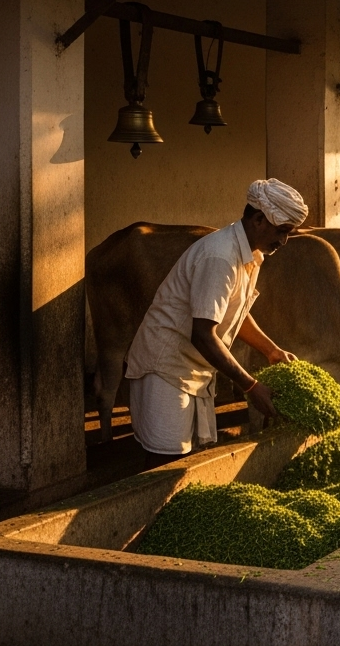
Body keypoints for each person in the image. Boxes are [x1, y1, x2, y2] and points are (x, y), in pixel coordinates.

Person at [124, 179, 308, 468]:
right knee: (164, 464)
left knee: (186, 461)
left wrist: (271, 350)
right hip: (166, 368)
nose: (283, 241)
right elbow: (203, 334)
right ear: (259, 220)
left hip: (193, 369)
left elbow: (231, 312)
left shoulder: (251, 255)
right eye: (282, 231)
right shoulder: (220, 256)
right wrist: (251, 386)